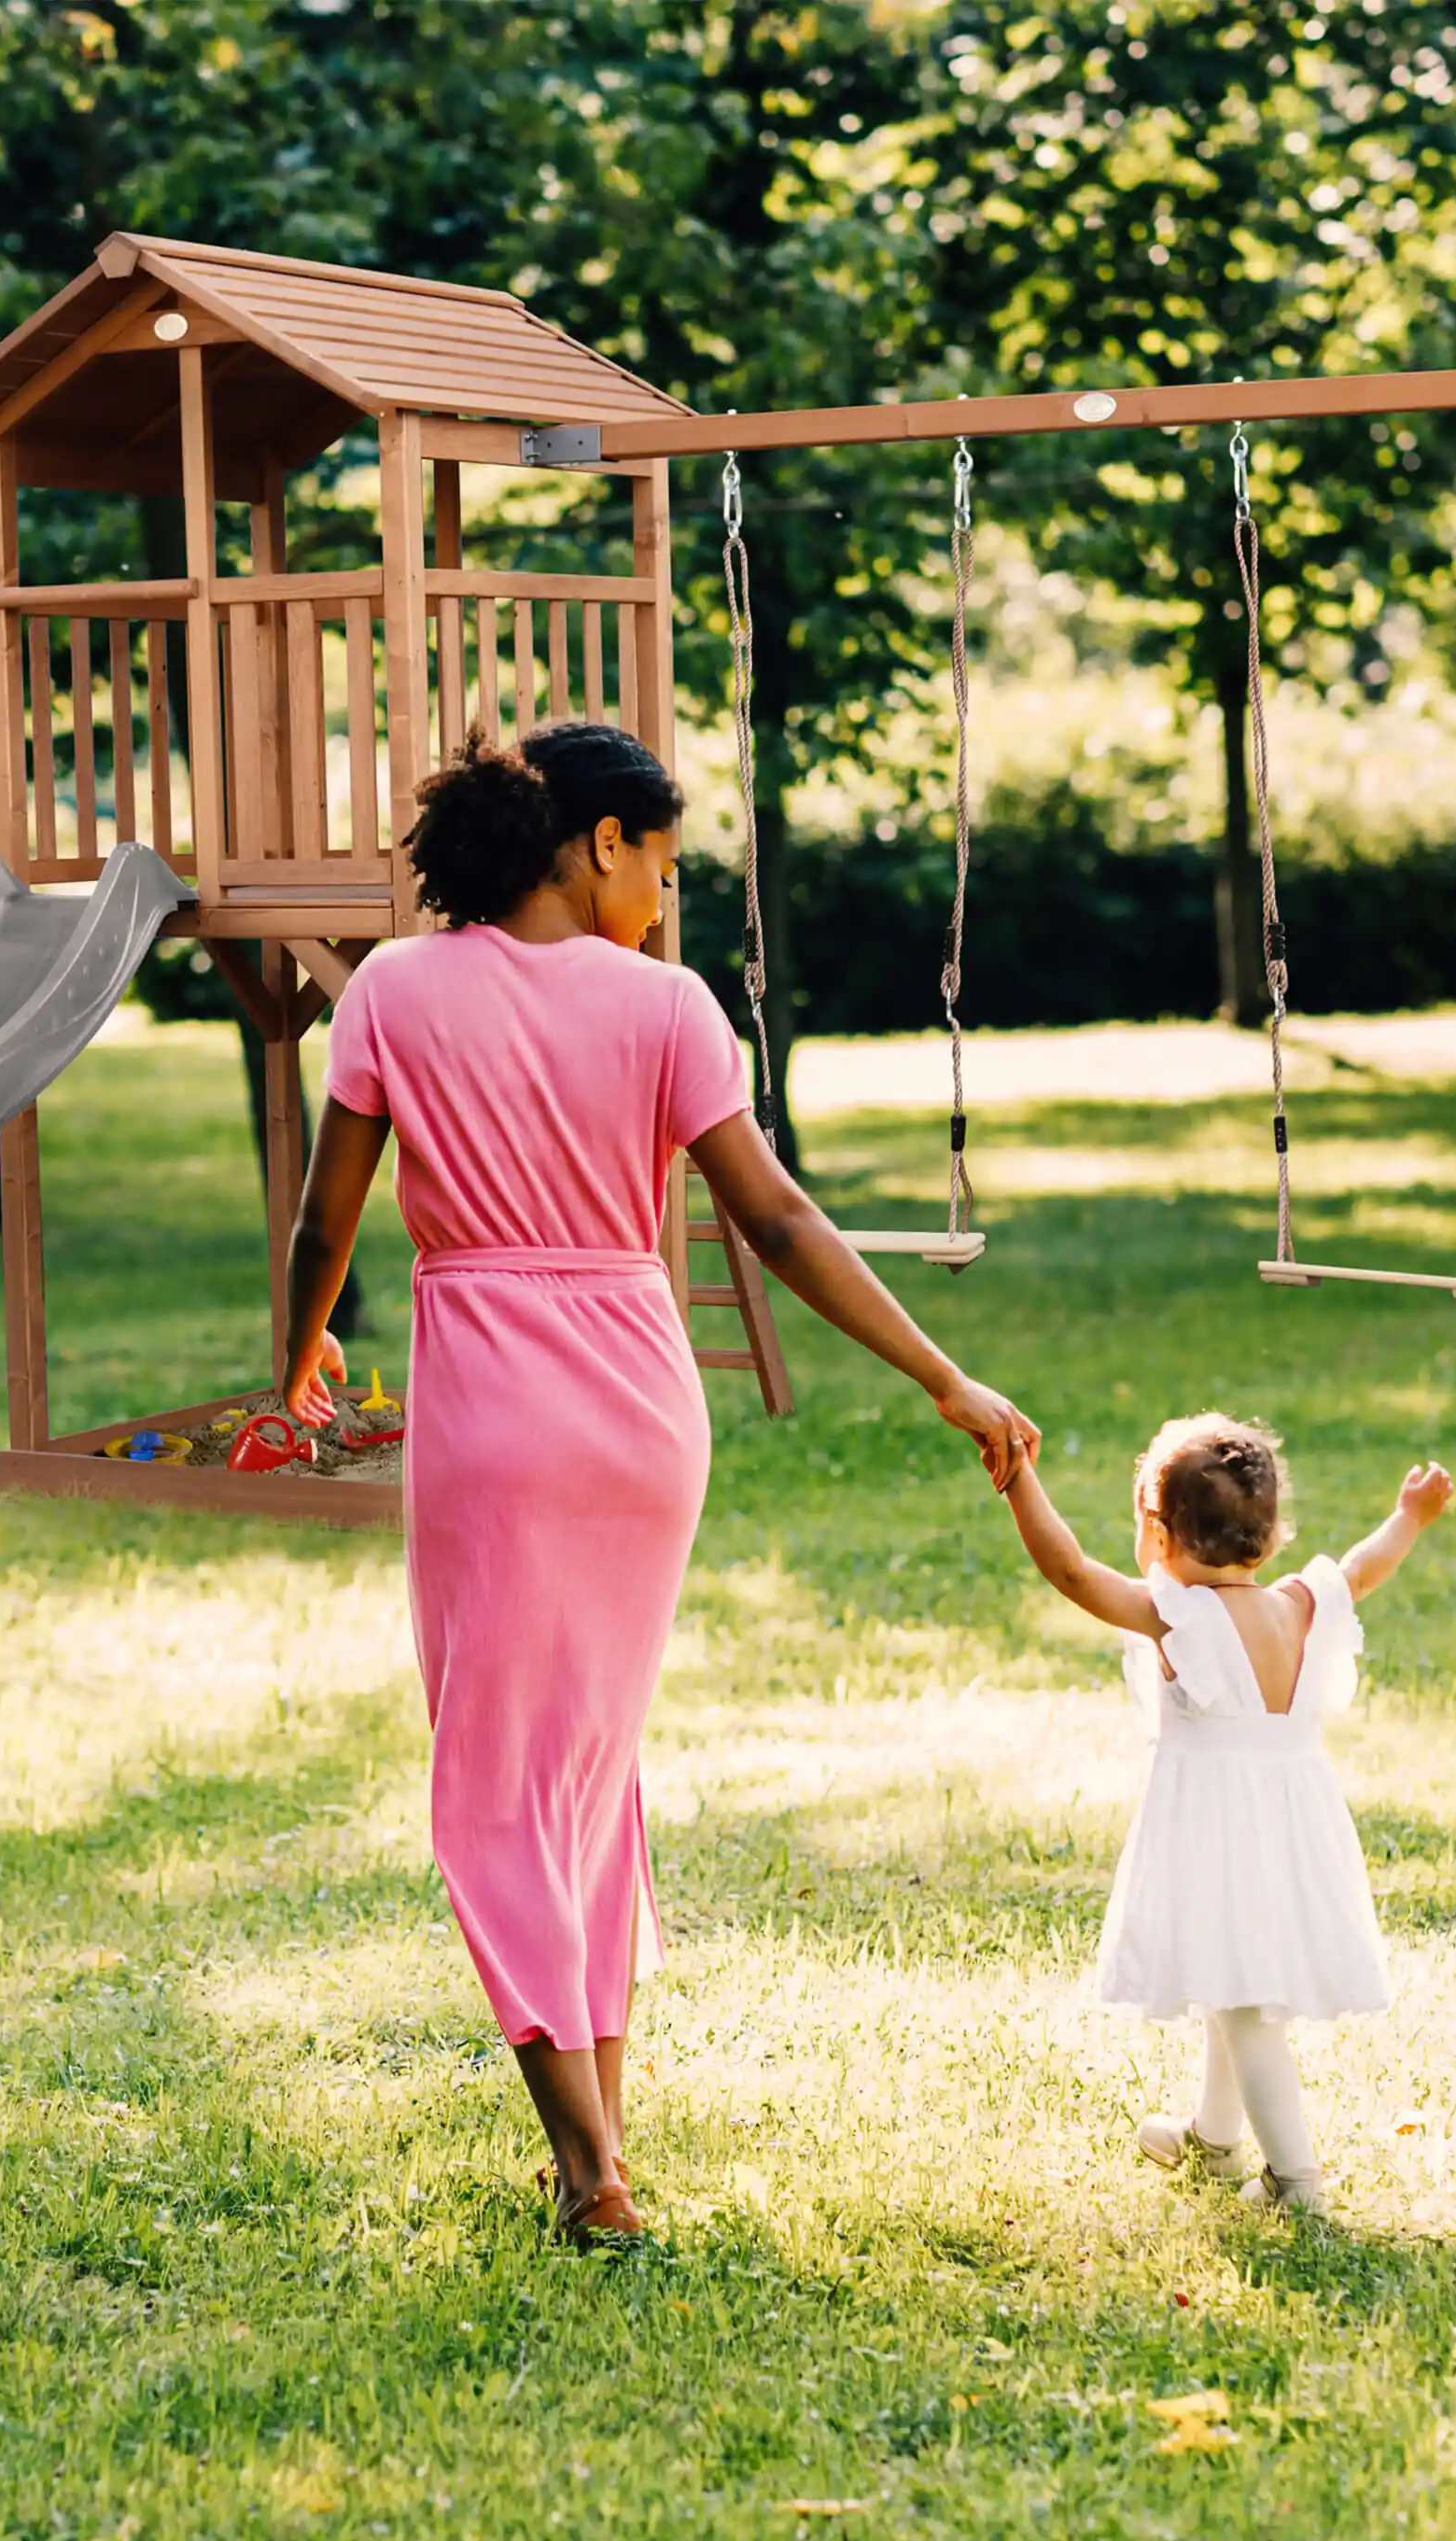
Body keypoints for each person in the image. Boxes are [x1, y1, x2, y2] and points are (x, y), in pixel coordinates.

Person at [280, 723, 1039, 2242]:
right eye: (665, 866)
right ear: (599, 843)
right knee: (587, 1773)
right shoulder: (669, 1010)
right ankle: (603, 2139)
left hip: (492, 1406)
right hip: (640, 1406)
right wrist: (941, 1374)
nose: (666, 901)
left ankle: (588, 2167)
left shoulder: (393, 992)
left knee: (496, 1784)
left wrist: (294, 1360)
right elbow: (776, 1223)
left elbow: (326, 1221)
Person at [996, 1414, 1454, 2214]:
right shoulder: (1300, 1604)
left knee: (1244, 2005)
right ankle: (1213, 2139)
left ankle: (1294, 2180)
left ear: (1160, 1533)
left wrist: (1018, 1478)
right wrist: (1409, 1517)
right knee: (1227, 1974)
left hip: (1219, 1832)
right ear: (1269, 1537)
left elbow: (1069, 1571)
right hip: (1291, 1826)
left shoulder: (1179, 1618)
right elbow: (1363, 1566)